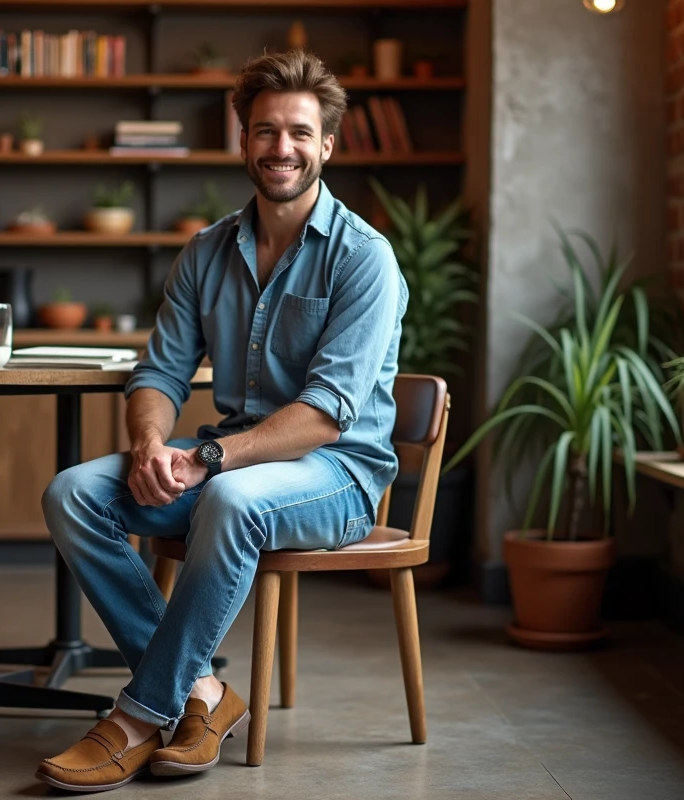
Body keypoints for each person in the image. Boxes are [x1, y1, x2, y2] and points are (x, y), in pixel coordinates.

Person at [36, 48, 408, 793]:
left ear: (328, 146)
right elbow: (160, 374)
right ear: (242, 141)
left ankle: (140, 716)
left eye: (300, 133)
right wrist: (148, 446)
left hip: (336, 475)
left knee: (232, 500)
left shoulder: (364, 259)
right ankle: (202, 692)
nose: (282, 149)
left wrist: (205, 460)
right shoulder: (206, 252)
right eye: (266, 131)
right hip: (235, 458)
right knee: (73, 493)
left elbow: (327, 417)